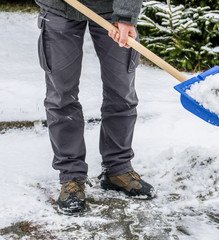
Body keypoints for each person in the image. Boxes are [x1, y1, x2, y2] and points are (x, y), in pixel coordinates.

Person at [35, 0, 154, 214]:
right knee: (61, 96)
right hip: (60, 8)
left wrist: (126, 15)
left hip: (112, 9)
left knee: (121, 94)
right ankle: (71, 177)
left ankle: (118, 169)